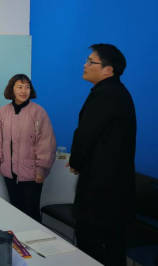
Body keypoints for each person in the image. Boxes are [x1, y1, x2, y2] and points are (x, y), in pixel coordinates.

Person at [68, 44, 136, 266]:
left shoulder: (105, 94)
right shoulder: (117, 92)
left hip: (101, 187)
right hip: (113, 185)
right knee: (113, 243)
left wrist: (76, 162)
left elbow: (85, 133)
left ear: (108, 69)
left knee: (92, 242)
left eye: (90, 61)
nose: (85, 65)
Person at [0, 74, 56, 222]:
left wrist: (41, 169)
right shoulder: (3, 111)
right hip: (9, 172)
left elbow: (46, 142)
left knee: (32, 211)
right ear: (12, 89)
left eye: (27, 87)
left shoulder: (38, 111)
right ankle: (18, 237)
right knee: (15, 210)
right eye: (19, 87)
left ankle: (36, 236)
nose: (24, 91)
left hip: (33, 173)